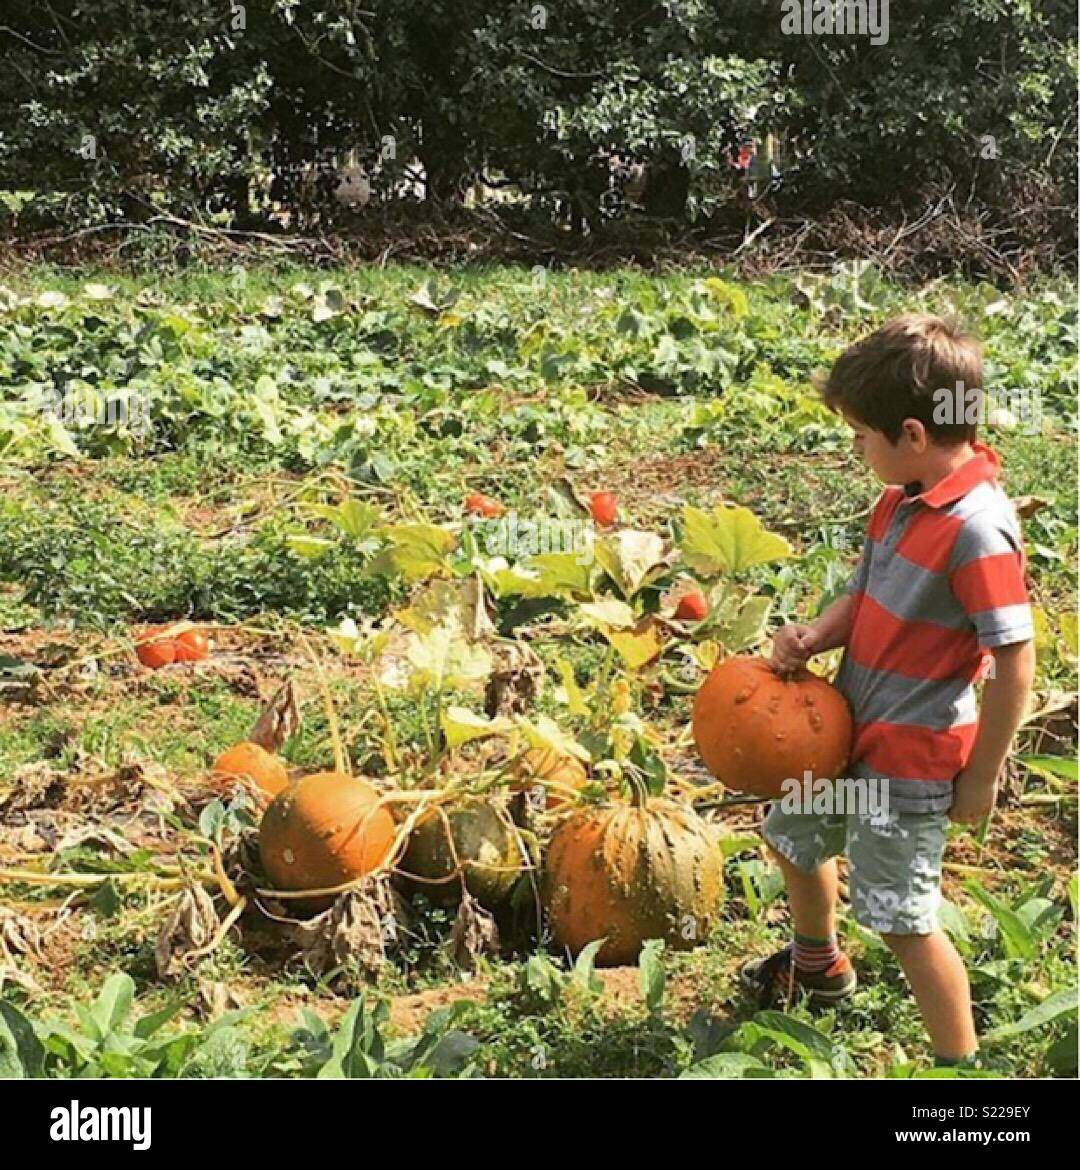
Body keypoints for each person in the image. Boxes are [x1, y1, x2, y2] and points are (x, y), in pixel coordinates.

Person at [742, 314, 1036, 1068]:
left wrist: (983, 774)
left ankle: (960, 1076)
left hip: (906, 769)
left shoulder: (977, 530)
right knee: (791, 835)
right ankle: (818, 966)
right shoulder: (902, 498)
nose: (854, 448)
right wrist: (814, 635)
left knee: (905, 923)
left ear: (911, 432)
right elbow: (863, 597)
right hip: (848, 735)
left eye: (859, 435)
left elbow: (1015, 663)